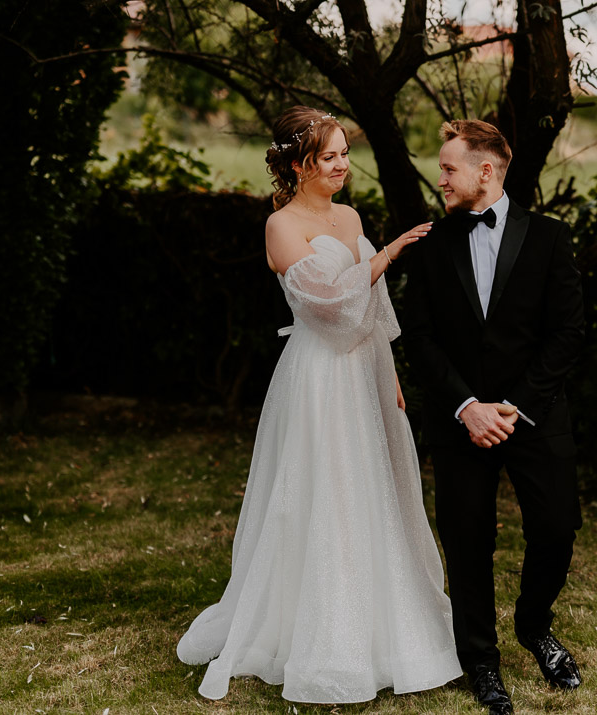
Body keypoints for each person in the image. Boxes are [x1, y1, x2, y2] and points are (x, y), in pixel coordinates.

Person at [176, 106, 462, 704]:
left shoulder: (349, 215)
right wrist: (387, 254)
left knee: (373, 487)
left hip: (365, 368)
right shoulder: (281, 226)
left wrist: (390, 370)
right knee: (325, 490)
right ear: (298, 164)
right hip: (320, 375)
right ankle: (322, 636)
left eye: (343, 154)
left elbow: (371, 308)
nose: (341, 166)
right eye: (328, 156)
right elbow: (326, 304)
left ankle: (386, 626)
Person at [402, 120, 585, 715]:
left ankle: (534, 625)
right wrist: (467, 407)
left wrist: (516, 406)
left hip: (534, 415)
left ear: (486, 171)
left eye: (448, 167)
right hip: (459, 419)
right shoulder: (429, 244)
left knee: (556, 527)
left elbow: (567, 333)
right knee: (467, 540)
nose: (440, 178)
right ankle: (480, 660)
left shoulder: (550, 238)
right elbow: (419, 337)